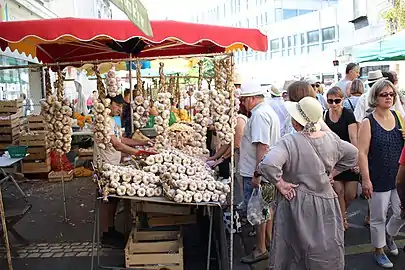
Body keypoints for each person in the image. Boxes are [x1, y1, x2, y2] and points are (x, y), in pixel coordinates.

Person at [256, 96, 357, 269]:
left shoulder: (289, 141)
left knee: (294, 252)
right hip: (326, 200)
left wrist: (280, 183)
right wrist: (332, 173)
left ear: (296, 121)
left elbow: (268, 164)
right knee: (325, 249)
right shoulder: (331, 139)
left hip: (296, 201)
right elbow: (353, 154)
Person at [94, 94, 152, 247]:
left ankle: (111, 230)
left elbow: (122, 140)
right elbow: (116, 145)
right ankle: (106, 234)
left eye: (121, 106)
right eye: (117, 105)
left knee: (113, 199)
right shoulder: (104, 120)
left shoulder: (115, 120)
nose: (119, 109)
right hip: (105, 166)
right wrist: (139, 153)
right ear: (108, 103)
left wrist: (141, 142)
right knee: (107, 199)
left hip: (114, 165)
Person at [358, 79, 405, 268]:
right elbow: (362, 152)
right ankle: (379, 250)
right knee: (378, 217)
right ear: (375, 98)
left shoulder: (399, 117)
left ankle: (389, 235)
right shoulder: (368, 122)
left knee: (401, 213)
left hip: (399, 176)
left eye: (391, 94)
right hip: (378, 177)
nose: (388, 97)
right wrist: (366, 180)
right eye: (384, 94)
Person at [239, 80, 280, 264]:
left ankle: (261, 248)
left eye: (245, 99)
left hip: (258, 173)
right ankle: (270, 243)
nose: (243, 103)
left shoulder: (259, 115)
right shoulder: (266, 112)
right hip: (267, 171)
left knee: (260, 210)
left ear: (253, 98)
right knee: (267, 209)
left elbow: (262, 146)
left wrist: (257, 174)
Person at [324, 86, 359, 230]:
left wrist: (357, 160)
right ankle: (342, 219)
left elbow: (353, 137)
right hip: (334, 159)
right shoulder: (325, 115)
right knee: (338, 191)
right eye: (330, 101)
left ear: (342, 100)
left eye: (337, 101)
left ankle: (342, 211)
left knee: (351, 194)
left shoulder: (348, 114)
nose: (333, 104)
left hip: (349, 156)